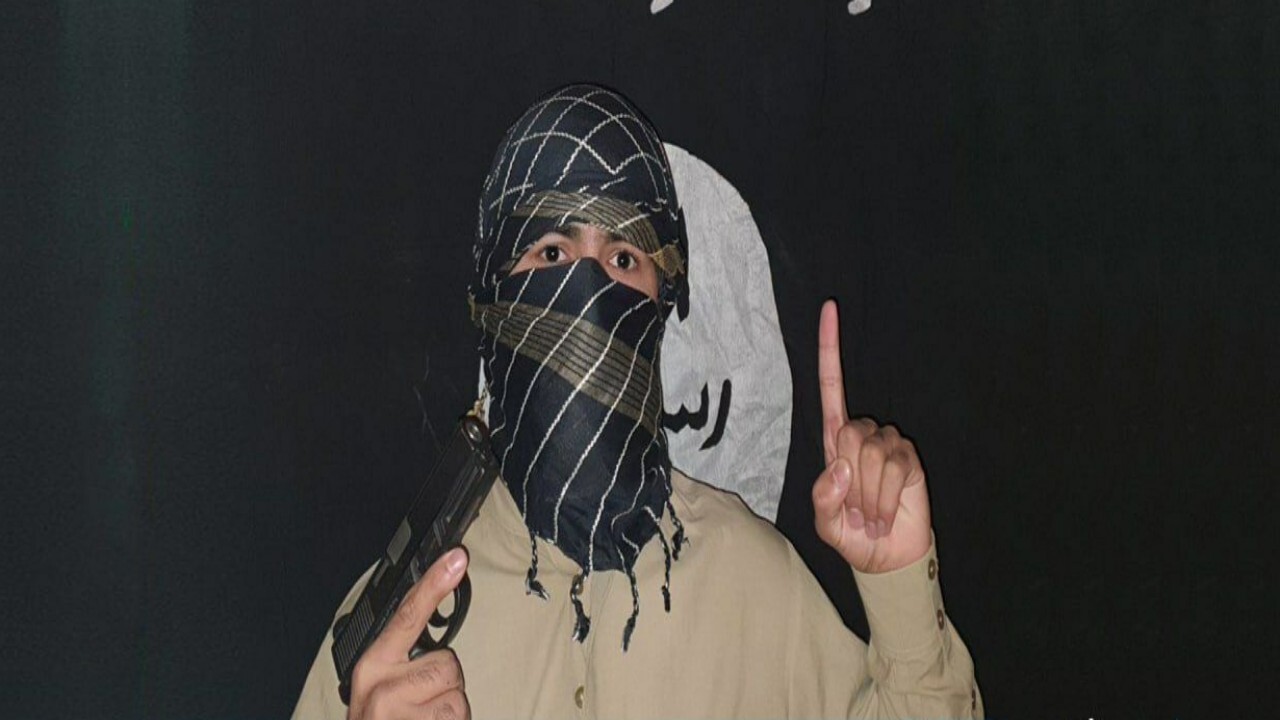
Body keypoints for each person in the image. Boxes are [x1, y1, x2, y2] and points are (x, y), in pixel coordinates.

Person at [293, 84, 982, 719]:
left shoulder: (753, 584)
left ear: (662, 301)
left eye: (624, 258)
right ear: (492, 295)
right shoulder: (401, 621)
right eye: (551, 253)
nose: (589, 291)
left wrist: (902, 591)